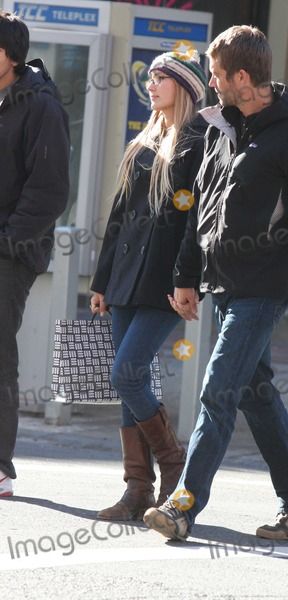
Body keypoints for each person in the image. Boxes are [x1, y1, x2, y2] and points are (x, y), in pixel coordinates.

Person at [144, 26, 288, 541]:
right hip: (223, 284)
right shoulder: (221, 127)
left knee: (219, 388)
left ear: (241, 77)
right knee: (254, 392)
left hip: (266, 284)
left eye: (214, 73)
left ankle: (183, 506)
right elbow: (200, 209)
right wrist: (186, 276)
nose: (210, 82)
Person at [90, 51, 207, 521]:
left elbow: (194, 222)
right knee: (129, 379)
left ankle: (174, 464)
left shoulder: (197, 140)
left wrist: (186, 280)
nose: (152, 84)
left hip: (163, 282)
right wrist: (100, 282)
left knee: (126, 372)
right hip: (123, 279)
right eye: (152, 77)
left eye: (162, 78)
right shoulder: (143, 142)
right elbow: (118, 218)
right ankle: (137, 488)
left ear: (185, 87)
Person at [0, 11, 70, 497]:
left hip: (10, 254)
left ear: (6, 56)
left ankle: (0, 466)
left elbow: (49, 191)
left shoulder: (39, 105)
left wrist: (7, 242)